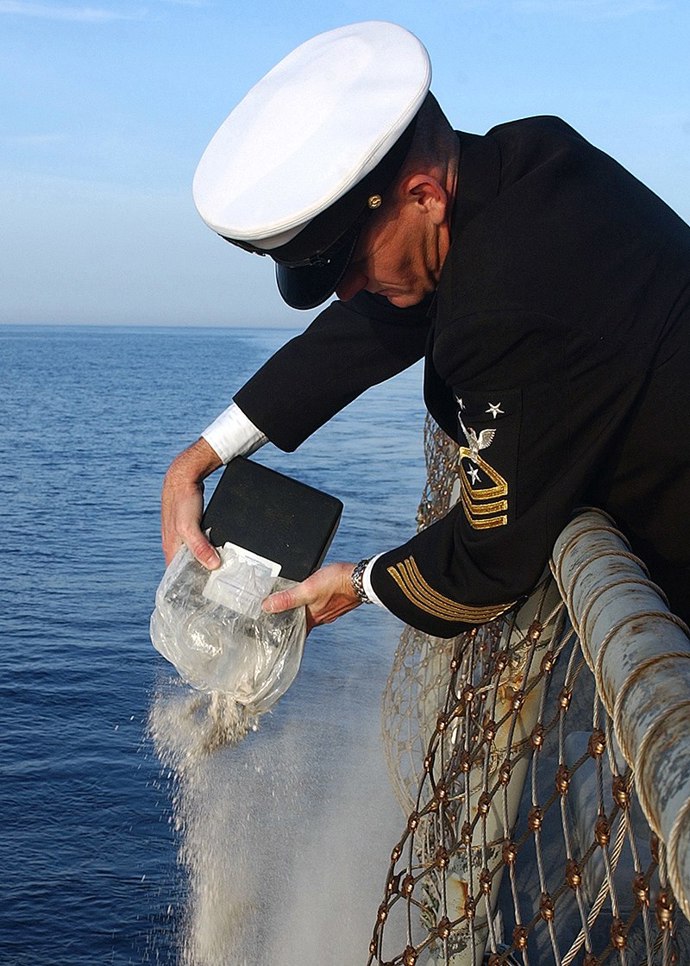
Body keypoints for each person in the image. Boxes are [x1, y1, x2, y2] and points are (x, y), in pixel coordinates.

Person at [161, 21, 690, 639]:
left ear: (424, 195)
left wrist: (357, 584)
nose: (348, 291)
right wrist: (200, 458)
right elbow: (376, 320)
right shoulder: (528, 161)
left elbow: (489, 563)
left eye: (353, 265)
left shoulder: (504, 302)